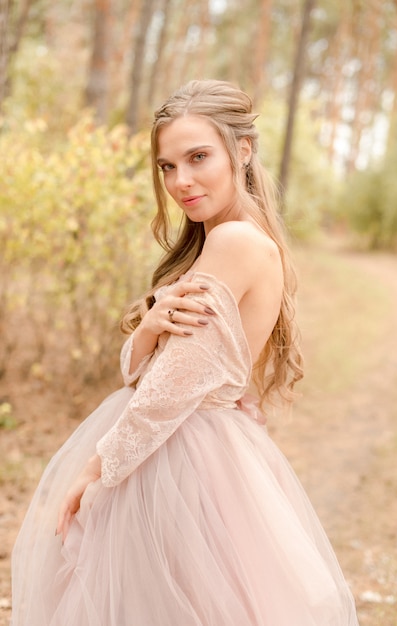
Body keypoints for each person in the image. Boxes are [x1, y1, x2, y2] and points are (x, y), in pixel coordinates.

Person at [11, 79, 359, 625]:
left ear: (242, 150)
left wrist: (98, 470)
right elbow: (135, 371)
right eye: (167, 166)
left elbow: (166, 390)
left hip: (179, 452)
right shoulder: (228, 236)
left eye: (198, 157)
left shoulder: (235, 242)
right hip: (181, 441)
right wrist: (148, 327)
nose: (181, 181)